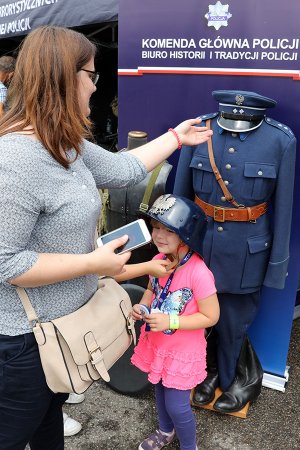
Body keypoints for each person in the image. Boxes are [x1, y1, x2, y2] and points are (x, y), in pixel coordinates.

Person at [0, 26, 213, 450]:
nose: (96, 87)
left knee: (46, 427)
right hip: (25, 343)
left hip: (61, 334)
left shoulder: (63, 142)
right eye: (92, 75)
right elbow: (6, 263)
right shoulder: (16, 159)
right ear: (64, 77)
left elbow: (122, 170)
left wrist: (176, 137)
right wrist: (94, 264)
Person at [173, 90, 296, 413]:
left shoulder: (279, 141)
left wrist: (276, 264)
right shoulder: (201, 130)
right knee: (196, 315)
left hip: (247, 249)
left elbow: (283, 210)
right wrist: (175, 247)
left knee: (232, 321)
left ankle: (231, 381)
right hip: (201, 244)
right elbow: (181, 197)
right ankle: (208, 374)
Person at [131, 194, 220, 450]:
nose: (158, 235)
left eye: (168, 230)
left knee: (177, 405)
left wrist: (171, 319)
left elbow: (211, 316)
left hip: (183, 352)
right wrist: (143, 306)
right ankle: (165, 431)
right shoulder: (158, 261)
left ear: (187, 235)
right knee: (159, 392)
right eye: (156, 227)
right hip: (158, 343)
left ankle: (189, 446)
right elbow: (151, 289)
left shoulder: (199, 272)